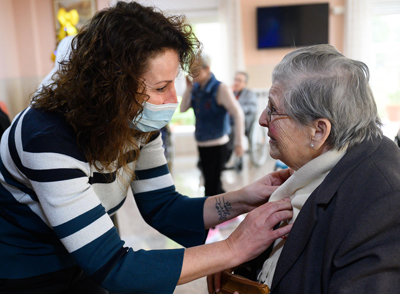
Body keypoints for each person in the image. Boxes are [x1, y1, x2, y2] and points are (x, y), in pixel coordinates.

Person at [0, 2, 294, 293]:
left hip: (83, 259)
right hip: (28, 266)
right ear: (112, 86)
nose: (173, 99)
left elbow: (164, 207)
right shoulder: (46, 136)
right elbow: (115, 267)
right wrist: (232, 248)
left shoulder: (136, 122)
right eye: (160, 87)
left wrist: (244, 199)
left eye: (174, 83)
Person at [209, 44, 400, 293]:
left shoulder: (382, 205)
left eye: (274, 109)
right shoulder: (319, 169)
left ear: (318, 131)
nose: (262, 120)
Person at [180, 54, 245, 196]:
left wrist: (239, 143)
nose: (191, 75)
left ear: (207, 68)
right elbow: (183, 109)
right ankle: (221, 208)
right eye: (190, 71)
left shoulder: (220, 88)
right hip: (202, 142)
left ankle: (212, 214)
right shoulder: (196, 88)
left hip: (218, 144)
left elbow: (238, 113)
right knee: (211, 181)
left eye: (195, 71)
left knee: (211, 185)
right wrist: (188, 88)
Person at [226, 71, 258, 170]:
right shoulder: (231, 93)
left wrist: (237, 109)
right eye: (235, 80)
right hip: (230, 121)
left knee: (232, 130)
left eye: (239, 80)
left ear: (245, 83)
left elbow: (252, 108)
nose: (236, 82)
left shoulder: (249, 94)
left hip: (245, 121)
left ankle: (230, 156)